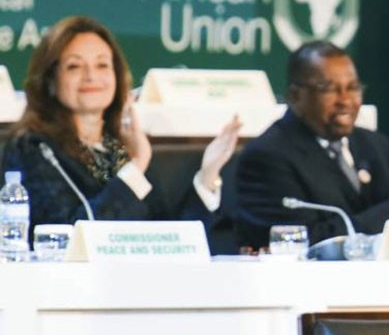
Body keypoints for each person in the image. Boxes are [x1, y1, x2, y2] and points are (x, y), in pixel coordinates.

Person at [1, 15, 241, 233]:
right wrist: (136, 167)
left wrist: (207, 177)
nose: (91, 76)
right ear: (50, 79)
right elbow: (69, 237)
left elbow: (168, 239)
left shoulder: (118, 150)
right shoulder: (32, 147)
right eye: (74, 66)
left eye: (102, 65)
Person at [234, 41, 389, 249]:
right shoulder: (266, 157)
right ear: (295, 96)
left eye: (353, 88)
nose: (345, 100)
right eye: (329, 89)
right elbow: (304, 243)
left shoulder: (375, 145)